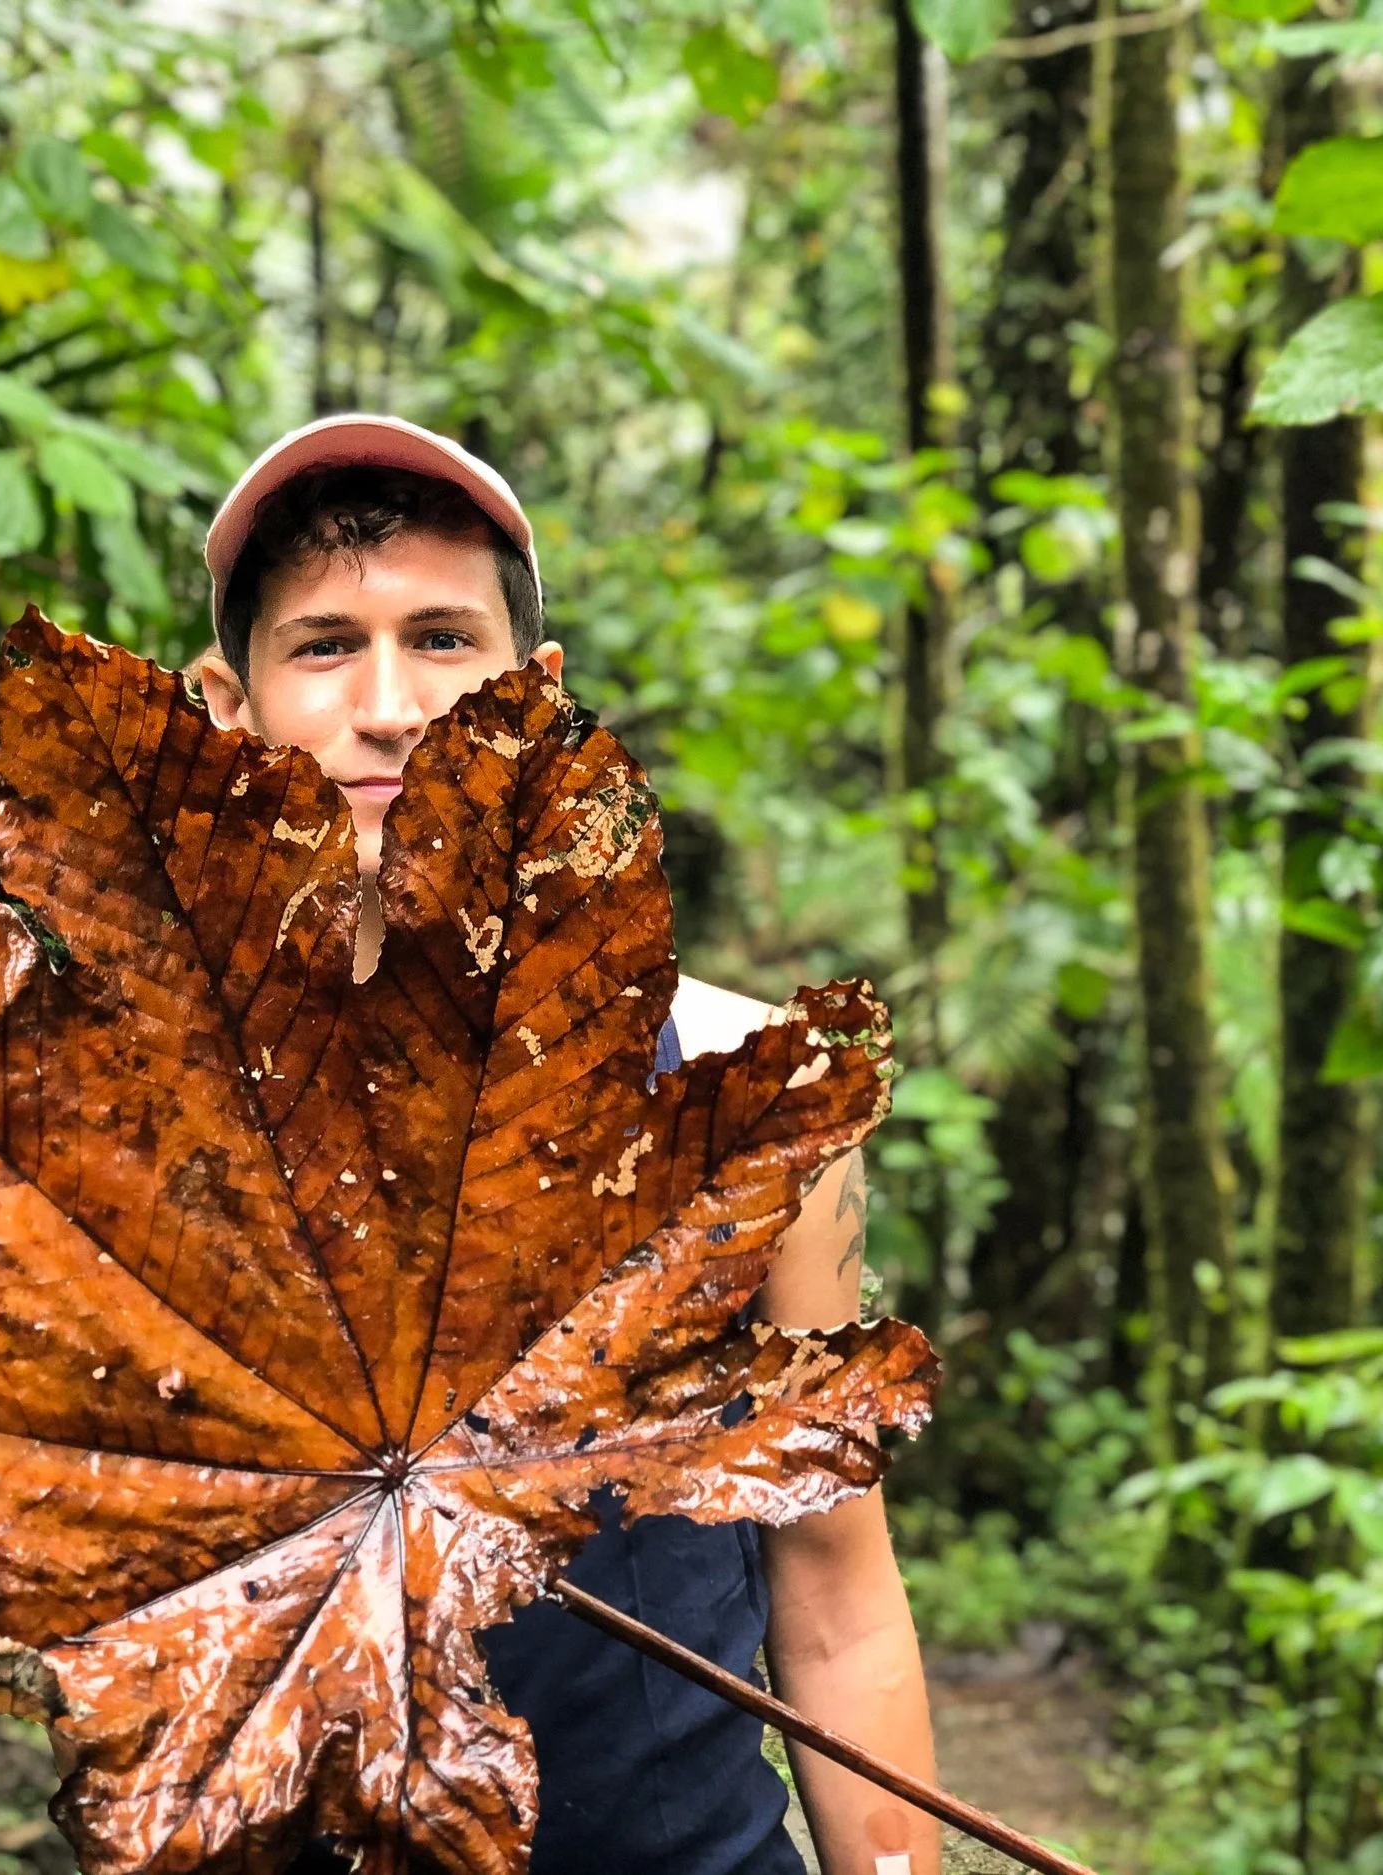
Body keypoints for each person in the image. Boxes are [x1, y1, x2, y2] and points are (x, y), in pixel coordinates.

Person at [189, 415, 942, 1875]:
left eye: (446, 641)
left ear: (531, 692)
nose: (391, 703)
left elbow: (834, 1587)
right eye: (327, 645)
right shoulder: (146, 1112)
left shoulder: (735, 1082)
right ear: (230, 705)